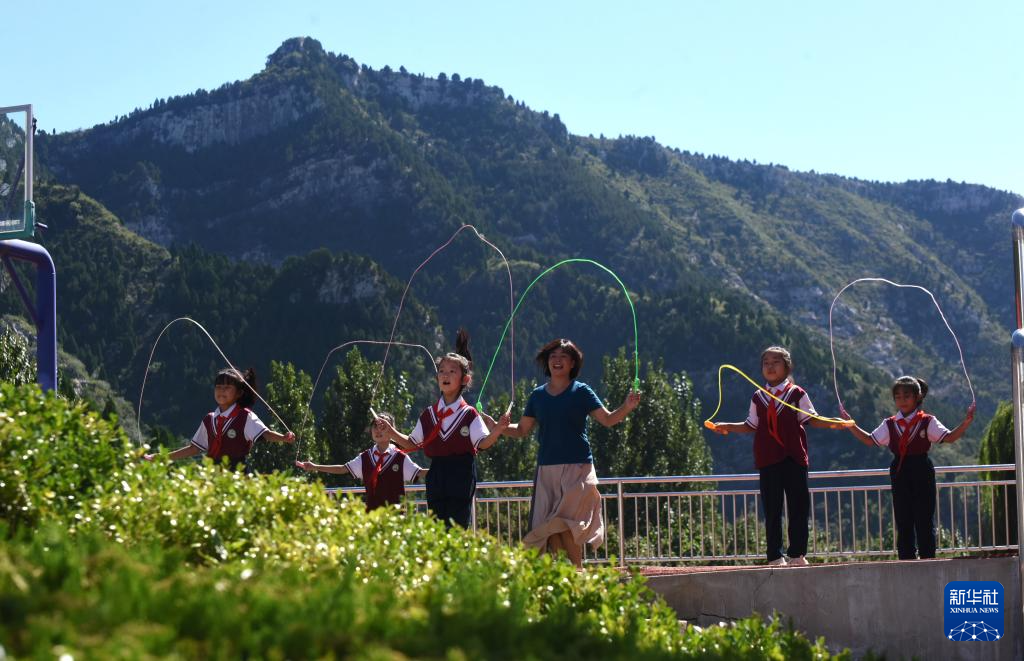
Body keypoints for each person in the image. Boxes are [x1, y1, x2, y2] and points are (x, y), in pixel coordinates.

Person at [496, 338, 640, 568]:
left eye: (563, 356)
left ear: (573, 363)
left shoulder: (581, 391)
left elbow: (608, 419)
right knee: (552, 528)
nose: (557, 360)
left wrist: (627, 407)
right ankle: (565, 574)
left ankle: (576, 572)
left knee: (565, 523)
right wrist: (498, 428)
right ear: (547, 362)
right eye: (553, 356)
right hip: (547, 470)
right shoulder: (537, 396)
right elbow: (522, 430)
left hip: (578, 467)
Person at [707, 346, 846, 566]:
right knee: (772, 508)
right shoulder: (758, 397)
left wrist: (832, 423)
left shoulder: (796, 394)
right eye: (766, 363)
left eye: (775, 362)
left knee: (798, 507)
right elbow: (751, 425)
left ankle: (797, 554)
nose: (770, 367)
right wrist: (728, 426)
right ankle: (774, 555)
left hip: (794, 458)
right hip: (768, 459)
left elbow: (811, 418)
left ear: (787, 367)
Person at [376, 329, 505, 528]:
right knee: (437, 526)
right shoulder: (429, 414)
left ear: (465, 380)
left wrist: (497, 430)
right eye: (442, 371)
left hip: (461, 473)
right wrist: (391, 432)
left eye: (452, 371)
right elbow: (411, 442)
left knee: (456, 527)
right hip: (436, 473)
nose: (445, 375)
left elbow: (483, 443)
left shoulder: (469, 414)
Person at [843, 376, 974, 559]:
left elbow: (949, 437)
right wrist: (851, 424)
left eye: (906, 396)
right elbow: (869, 440)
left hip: (922, 470)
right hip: (900, 471)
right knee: (903, 518)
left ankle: (927, 559)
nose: (902, 400)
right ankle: (906, 560)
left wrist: (966, 422)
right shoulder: (890, 424)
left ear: (917, 397)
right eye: (898, 396)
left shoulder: (927, 421)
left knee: (924, 518)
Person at [144, 367, 295, 468]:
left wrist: (283, 438)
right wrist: (162, 458)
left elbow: (265, 434)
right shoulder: (209, 420)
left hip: (237, 477)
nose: (221, 391)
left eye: (227, 387)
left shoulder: (245, 416)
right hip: (212, 477)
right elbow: (194, 448)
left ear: (239, 393)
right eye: (218, 387)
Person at [295, 412, 425, 511]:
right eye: (375, 426)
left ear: (392, 431)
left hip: (396, 517)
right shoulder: (365, 457)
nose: (378, 430)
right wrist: (315, 466)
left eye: (383, 427)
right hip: (371, 517)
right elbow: (342, 469)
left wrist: (438, 468)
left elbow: (419, 472)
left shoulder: (400, 457)